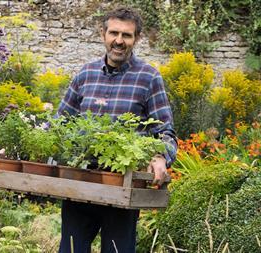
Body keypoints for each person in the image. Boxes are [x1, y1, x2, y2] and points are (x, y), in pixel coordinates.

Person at [56, 7, 177, 253]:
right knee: (71, 249)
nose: (119, 41)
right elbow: (60, 123)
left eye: (127, 35)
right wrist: (24, 148)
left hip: (123, 189)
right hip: (80, 184)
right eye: (114, 33)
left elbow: (166, 132)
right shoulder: (85, 74)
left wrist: (160, 157)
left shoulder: (149, 78)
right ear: (103, 34)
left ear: (137, 39)